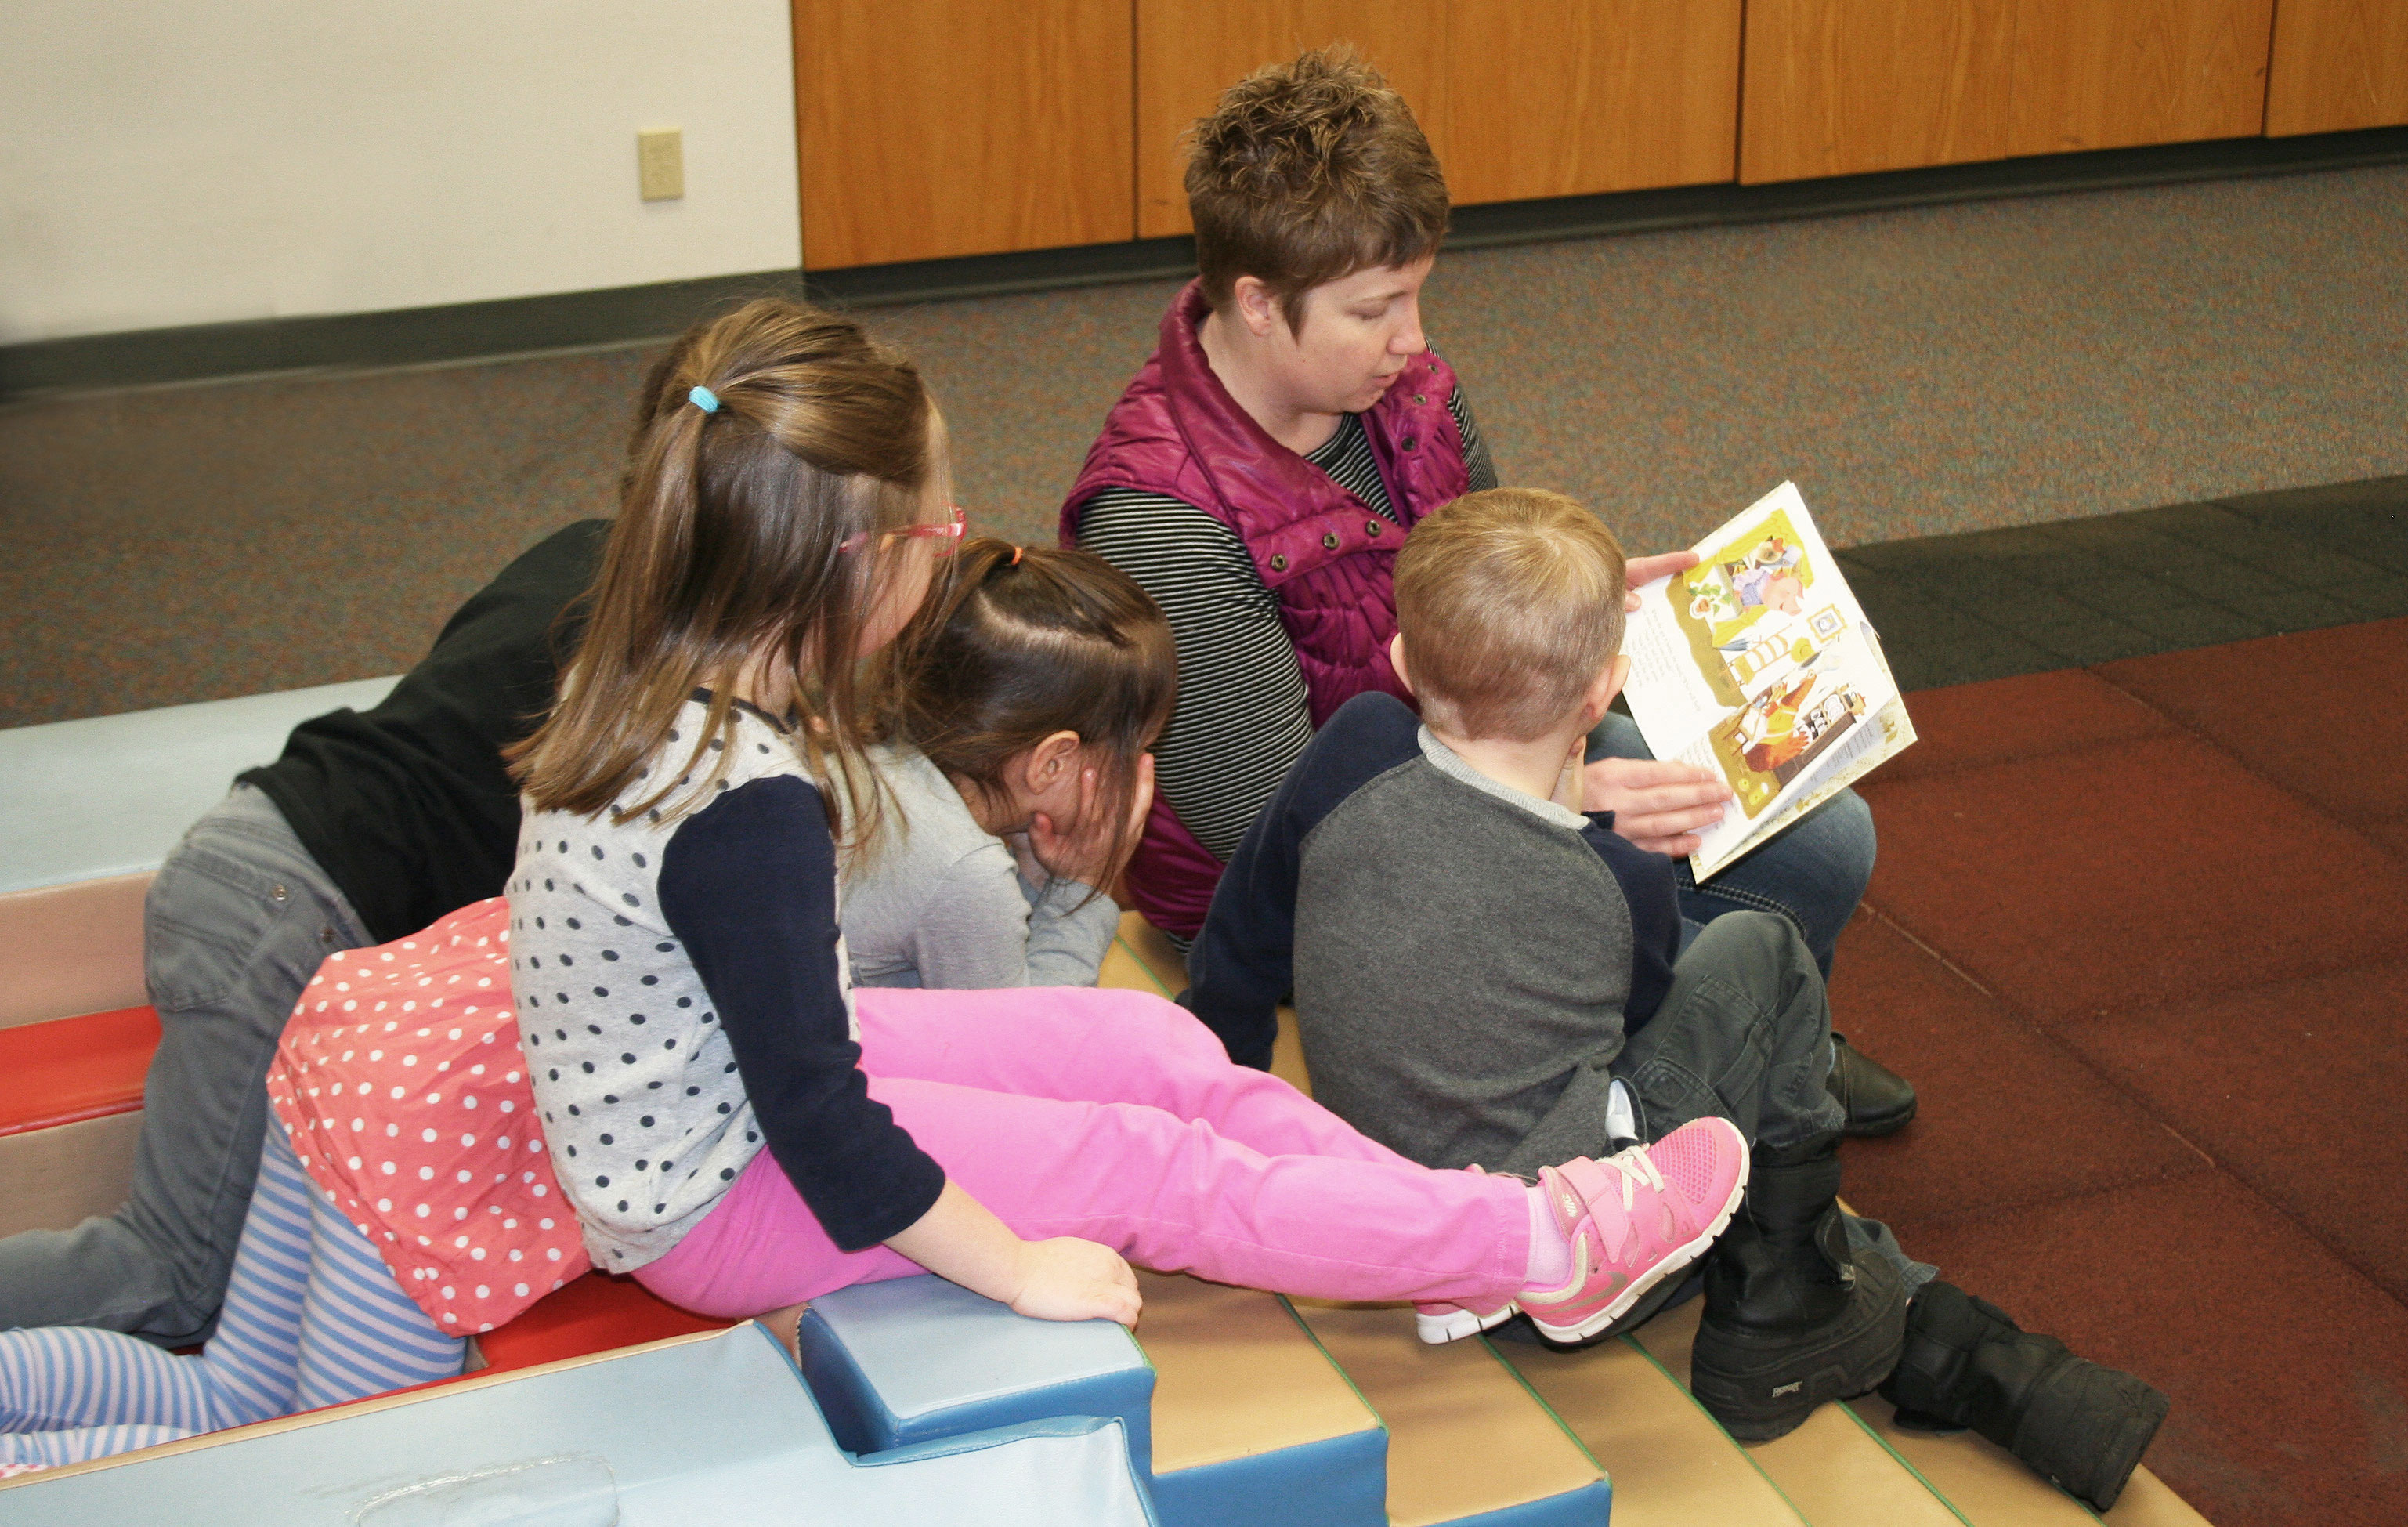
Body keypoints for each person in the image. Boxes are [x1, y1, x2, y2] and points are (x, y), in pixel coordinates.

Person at [497, 295, 1750, 1353]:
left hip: (747, 1093)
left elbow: (786, 1043)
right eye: (935, 532)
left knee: (1145, 1048)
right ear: (851, 563)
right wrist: (1014, 1267)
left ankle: (1437, 1232)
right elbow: (818, 1122)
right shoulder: (745, 806)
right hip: (725, 1197)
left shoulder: (653, 684)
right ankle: (1537, 1243)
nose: (951, 554)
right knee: (1148, 1168)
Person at [1183, 488, 2168, 1511]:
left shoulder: (1348, 747)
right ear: (1603, 688)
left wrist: (1228, 1094)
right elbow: (1637, 1009)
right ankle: (1802, 1300)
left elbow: (1239, 942)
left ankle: (1845, 1292)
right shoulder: (1620, 879)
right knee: (1762, 950)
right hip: (1583, 1259)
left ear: (1398, 658)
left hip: (1395, 1200)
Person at [1060, 48, 1911, 1133]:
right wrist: (1563, 800)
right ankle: (1712, 1086)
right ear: (1258, 303)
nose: (1411, 339)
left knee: (1825, 837)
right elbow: (1275, 825)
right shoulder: (1162, 522)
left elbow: (1488, 572)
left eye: (1415, 294)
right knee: (1681, 945)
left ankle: (1763, 1055)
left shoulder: (1402, 387)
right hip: (1324, 872)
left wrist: (1592, 601)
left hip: (1493, 738)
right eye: (1375, 309)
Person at [0, 516, 609, 1347]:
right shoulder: (686, 633)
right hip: (291, 909)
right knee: (175, 1274)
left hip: (254, 850)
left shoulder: (589, 546)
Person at [848, 537, 1176, 990]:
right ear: (1052, 764)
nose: (1141, 768)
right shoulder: (965, 875)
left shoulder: (871, 755)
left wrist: (1035, 878)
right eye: (1139, 749)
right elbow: (1026, 1039)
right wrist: (1083, 888)